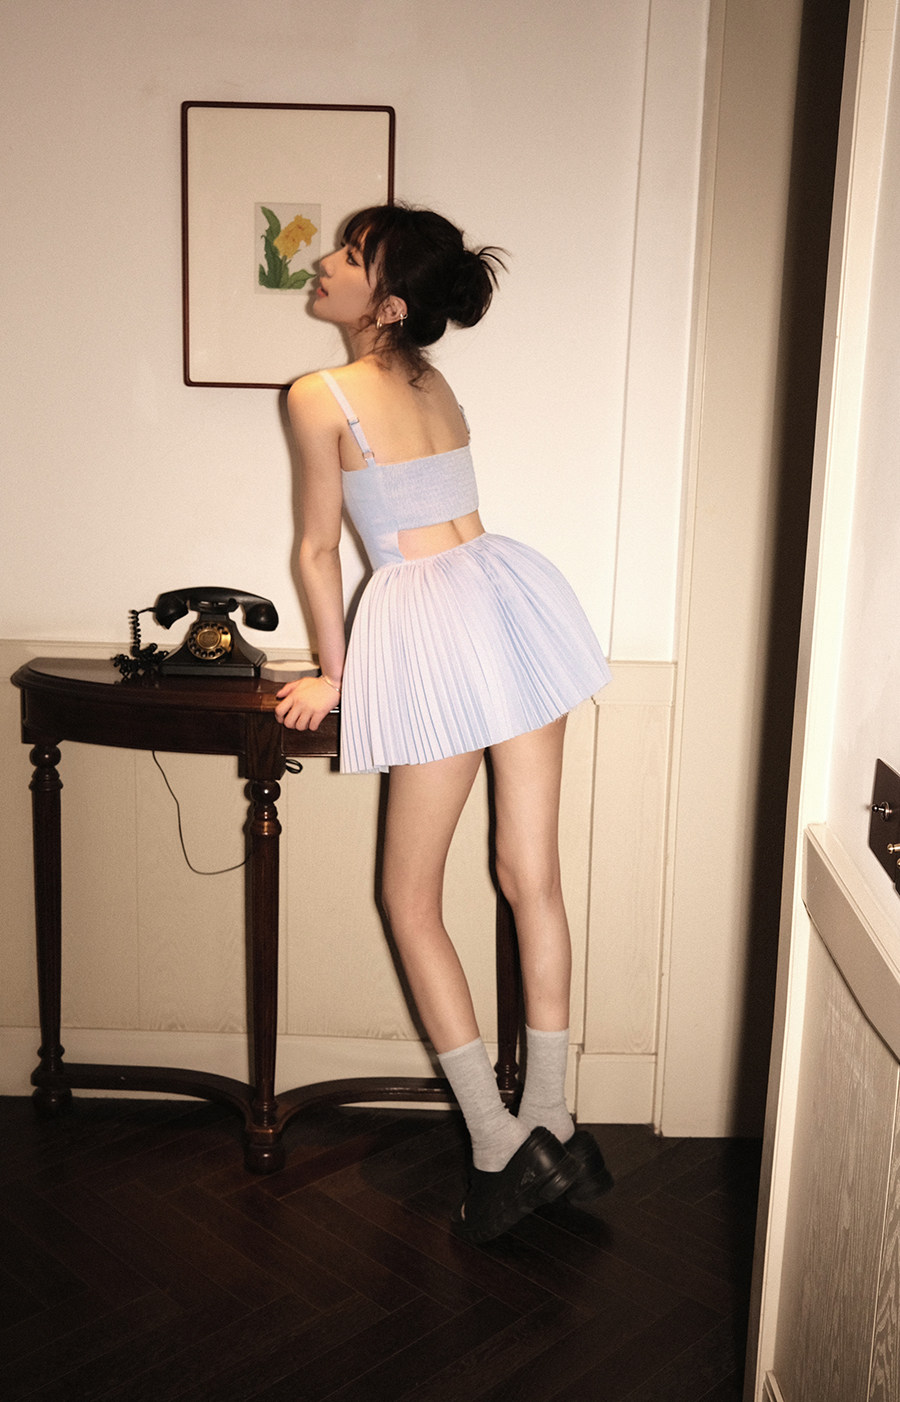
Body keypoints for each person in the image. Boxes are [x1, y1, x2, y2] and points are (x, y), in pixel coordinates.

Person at [275, 203, 614, 1242]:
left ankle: (500, 1144)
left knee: (408, 896)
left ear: (387, 303)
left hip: (430, 621)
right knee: (532, 877)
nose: (324, 264)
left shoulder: (319, 394)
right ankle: (555, 1122)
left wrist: (335, 674)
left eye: (349, 255)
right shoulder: (433, 382)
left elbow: (317, 551)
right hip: (510, 592)